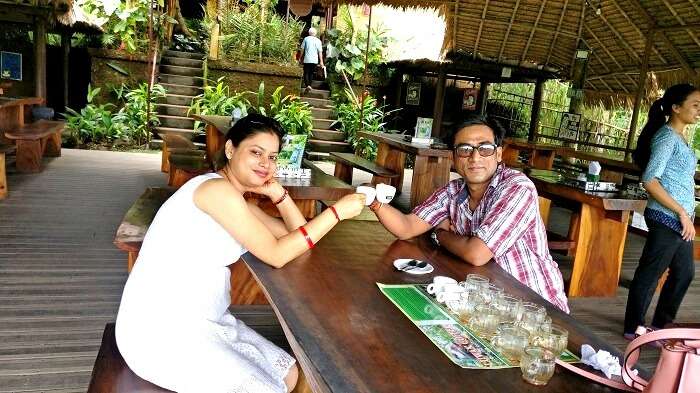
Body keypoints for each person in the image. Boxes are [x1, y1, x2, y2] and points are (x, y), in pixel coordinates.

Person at [115, 114, 365, 392]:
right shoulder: (215, 191)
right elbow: (277, 254)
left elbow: (297, 235)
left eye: (272, 157)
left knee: (292, 376)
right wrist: (336, 213)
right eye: (255, 152)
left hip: (209, 320)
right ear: (230, 149)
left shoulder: (239, 200)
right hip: (162, 330)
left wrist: (279, 195)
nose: (265, 163)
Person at [368, 115, 569, 312]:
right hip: (487, 303)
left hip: (536, 307)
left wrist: (441, 234)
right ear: (454, 157)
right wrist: (375, 203)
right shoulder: (452, 192)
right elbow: (406, 227)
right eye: (464, 150)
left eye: (485, 149)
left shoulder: (517, 187)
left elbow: (477, 254)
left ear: (498, 154)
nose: (475, 157)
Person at [623, 84, 700, 338]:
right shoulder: (667, 137)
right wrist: (680, 211)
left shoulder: (680, 138)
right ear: (676, 108)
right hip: (666, 217)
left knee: (684, 272)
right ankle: (633, 328)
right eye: (695, 105)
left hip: (680, 220)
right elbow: (650, 179)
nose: (699, 110)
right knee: (651, 272)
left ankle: (660, 327)